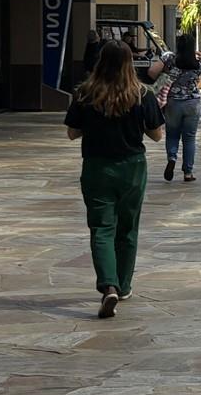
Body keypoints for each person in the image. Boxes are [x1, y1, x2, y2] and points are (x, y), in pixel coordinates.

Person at [65, 41, 164, 318]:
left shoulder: (85, 94)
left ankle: (108, 285)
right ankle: (123, 285)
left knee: (101, 228)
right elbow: (157, 135)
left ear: (100, 61)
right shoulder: (142, 94)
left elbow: (72, 133)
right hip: (132, 168)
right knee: (128, 228)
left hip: (97, 167)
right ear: (129, 63)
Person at [147, 34, 201, 182]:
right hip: (192, 103)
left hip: (172, 103)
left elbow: (151, 72)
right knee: (189, 138)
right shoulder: (197, 64)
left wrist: (165, 75)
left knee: (172, 134)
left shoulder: (169, 58)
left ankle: (172, 157)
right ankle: (188, 172)